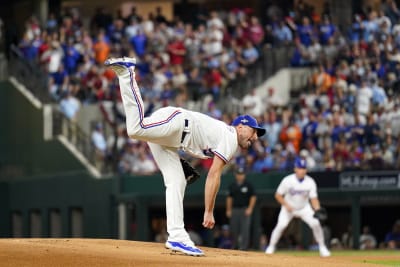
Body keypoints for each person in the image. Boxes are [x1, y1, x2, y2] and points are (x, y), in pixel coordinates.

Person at [104, 57, 266, 256]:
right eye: (254, 131)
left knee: (176, 181)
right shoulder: (231, 137)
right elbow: (214, 175)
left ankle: (177, 237)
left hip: (174, 139)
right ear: (240, 126)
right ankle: (127, 73)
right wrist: (208, 210)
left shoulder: (224, 136)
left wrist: (184, 163)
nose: (255, 137)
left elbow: (201, 149)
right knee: (136, 129)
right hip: (178, 124)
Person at [265, 157, 331, 257]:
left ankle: (322, 247)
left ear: (306, 170)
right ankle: (271, 246)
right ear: (295, 168)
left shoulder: (310, 182)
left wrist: (317, 208)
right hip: (288, 208)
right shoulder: (288, 180)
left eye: (303, 168)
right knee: (281, 226)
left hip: (304, 208)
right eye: (300, 168)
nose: (302, 170)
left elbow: (313, 198)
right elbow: (278, 195)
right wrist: (286, 205)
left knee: (316, 224)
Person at [226, 167, 257, 250]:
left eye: (242, 174)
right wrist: (228, 210)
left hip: (245, 209)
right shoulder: (232, 185)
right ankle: (235, 246)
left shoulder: (248, 185)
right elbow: (229, 198)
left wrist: (250, 208)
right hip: (235, 209)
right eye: (239, 174)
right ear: (236, 175)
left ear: (244, 175)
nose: (240, 176)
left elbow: (253, 197)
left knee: (245, 230)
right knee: (234, 229)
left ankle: (244, 247)